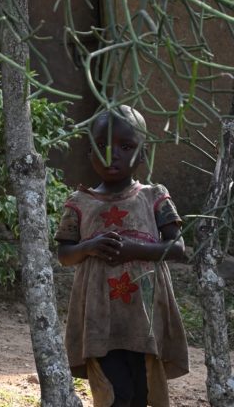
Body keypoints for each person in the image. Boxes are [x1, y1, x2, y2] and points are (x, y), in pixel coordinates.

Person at [56, 106, 189, 407]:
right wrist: (88, 247)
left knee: (141, 392)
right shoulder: (79, 203)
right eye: (101, 146)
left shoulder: (154, 196)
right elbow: (65, 254)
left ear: (142, 154)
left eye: (125, 147)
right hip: (99, 318)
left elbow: (177, 248)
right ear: (89, 153)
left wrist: (133, 249)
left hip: (143, 318)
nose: (111, 154)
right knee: (115, 393)